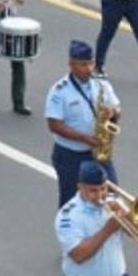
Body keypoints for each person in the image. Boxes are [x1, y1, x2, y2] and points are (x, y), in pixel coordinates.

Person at [45, 40, 120, 208]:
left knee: (112, 198)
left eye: (91, 63)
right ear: (71, 64)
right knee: (71, 203)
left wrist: (113, 112)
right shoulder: (59, 91)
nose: (89, 69)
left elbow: (117, 108)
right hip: (71, 156)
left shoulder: (101, 84)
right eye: (83, 64)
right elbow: (54, 125)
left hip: (98, 153)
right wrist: (85, 139)